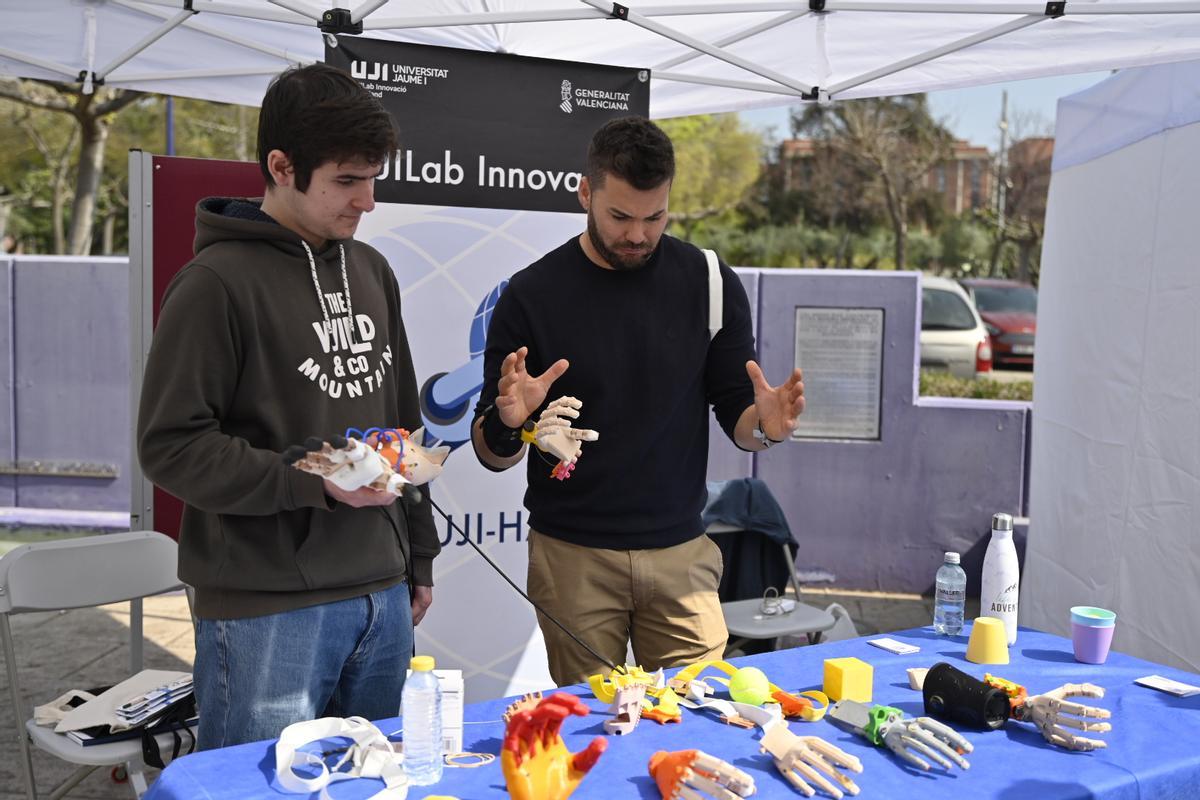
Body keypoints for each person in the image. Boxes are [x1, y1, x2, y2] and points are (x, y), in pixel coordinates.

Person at [137, 63, 439, 749]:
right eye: (346, 181)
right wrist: (311, 480)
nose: (367, 202)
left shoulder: (371, 270)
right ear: (281, 165)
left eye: (372, 179)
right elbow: (171, 446)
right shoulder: (213, 283)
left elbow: (401, 424)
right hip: (267, 607)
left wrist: (418, 556)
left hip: (383, 590)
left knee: (377, 784)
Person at [471, 116, 804, 686]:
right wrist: (510, 422)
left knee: (698, 718)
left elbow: (737, 418)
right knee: (594, 730)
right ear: (586, 193)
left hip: (681, 552)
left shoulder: (709, 281)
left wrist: (766, 427)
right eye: (620, 217)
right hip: (572, 556)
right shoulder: (531, 294)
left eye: (655, 217)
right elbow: (491, 452)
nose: (637, 235)